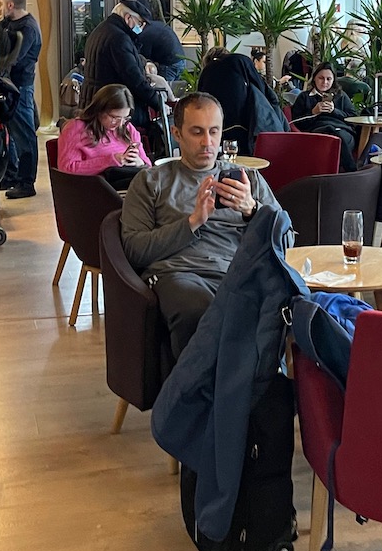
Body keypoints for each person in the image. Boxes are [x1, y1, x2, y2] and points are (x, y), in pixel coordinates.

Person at [119, 93, 282, 357]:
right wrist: (193, 222)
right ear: (177, 134)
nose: (207, 143)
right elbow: (134, 249)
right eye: (196, 132)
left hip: (237, 273)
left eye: (214, 132)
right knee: (200, 310)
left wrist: (252, 210)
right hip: (180, 274)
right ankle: (200, 395)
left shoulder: (247, 179)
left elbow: (286, 239)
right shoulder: (152, 181)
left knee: (285, 307)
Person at [83, 1, 167, 159]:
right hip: (114, 107)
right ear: (128, 18)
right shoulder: (119, 39)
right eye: (140, 23)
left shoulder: (100, 30)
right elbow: (134, 80)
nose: (141, 29)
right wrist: (159, 103)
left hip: (97, 103)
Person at [54, 84, 149, 191]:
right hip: (93, 191)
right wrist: (111, 160)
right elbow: (67, 169)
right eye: (114, 117)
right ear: (99, 110)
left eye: (125, 118)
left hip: (128, 187)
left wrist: (140, 163)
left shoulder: (128, 128)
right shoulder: (76, 128)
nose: (120, 124)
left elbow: (148, 166)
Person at [0, 0, 43, 199]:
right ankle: (13, 175)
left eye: (1, 4)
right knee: (11, 133)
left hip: (20, 88)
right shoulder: (11, 23)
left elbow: (11, 58)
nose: (0, 8)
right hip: (10, 86)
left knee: (24, 134)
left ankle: (27, 183)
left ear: (10, 5)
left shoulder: (28, 29)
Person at [290, 62, 360, 169]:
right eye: (321, 78)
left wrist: (334, 111)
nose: (325, 82)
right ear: (314, 79)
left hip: (342, 130)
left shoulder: (341, 96)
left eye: (329, 79)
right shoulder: (304, 97)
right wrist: (313, 112)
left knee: (337, 137)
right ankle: (351, 171)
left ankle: (343, 173)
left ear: (333, 80)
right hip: (318, 130)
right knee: (330, 133)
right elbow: (296, 123)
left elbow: (353, 118)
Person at [126, 0, 189, 85]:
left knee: (162, 90)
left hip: (169, 64)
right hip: (181, 60)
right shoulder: (155, 25)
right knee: (173, 87)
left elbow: (143, 57)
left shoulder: (144, 34)